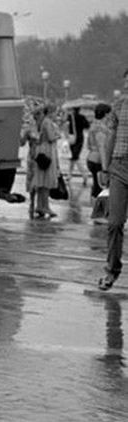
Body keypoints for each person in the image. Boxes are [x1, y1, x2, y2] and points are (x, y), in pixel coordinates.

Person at [99, 69, 128, 290]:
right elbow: (110, 136)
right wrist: (105, 168)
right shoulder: (119, 105)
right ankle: (111, 270)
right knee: (115, 222)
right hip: (119, 166)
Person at [23, 102, 60, 220]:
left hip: (37, 153)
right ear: (49, 112)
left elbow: (23, 141)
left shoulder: (36, 124)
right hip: (47, 151)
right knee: (45, 181)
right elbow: (51, 137)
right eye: (55, 113)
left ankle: (37, 205)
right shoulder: (48, 122)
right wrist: (58, 134)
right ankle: (44, 206)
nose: (56, 115)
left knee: (38, 180)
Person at [87, 103, 112, 200]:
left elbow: (88, 144)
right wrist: (105, 167)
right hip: (99, 160)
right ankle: (97, 210)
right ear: (106, 114)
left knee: (96, 186)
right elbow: (102, 147)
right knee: (100, 189)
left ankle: (95, 209)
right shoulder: (101, 129)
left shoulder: (93, 125)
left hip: (91, 157)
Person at [66, 104, 90, 184]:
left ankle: (70, 174)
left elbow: (66, 127)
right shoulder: (82, 117)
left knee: (73, 156)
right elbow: (87, 126)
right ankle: (84, 175)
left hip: (71, 138)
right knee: (75, 156)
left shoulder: (70, 117)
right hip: (79, 138)